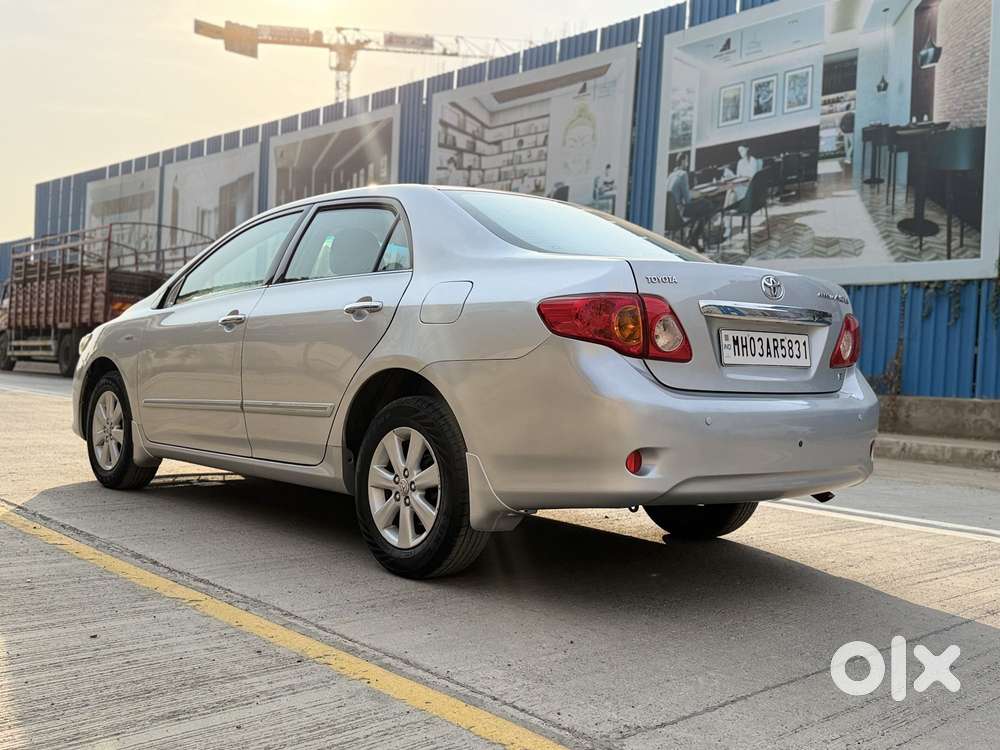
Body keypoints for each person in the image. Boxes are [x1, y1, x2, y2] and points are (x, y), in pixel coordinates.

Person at [665, 152, 715, 252]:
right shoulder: (683, 174)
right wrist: (698, 194)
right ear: (683, 161)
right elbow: (687, 200)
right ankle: (694, 237)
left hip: (669, 215)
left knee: (701, 210)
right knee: (708, 205)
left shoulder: (670, 176)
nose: (687, 163)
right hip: (679, 213)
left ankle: (693, 236)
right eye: (687, 160)